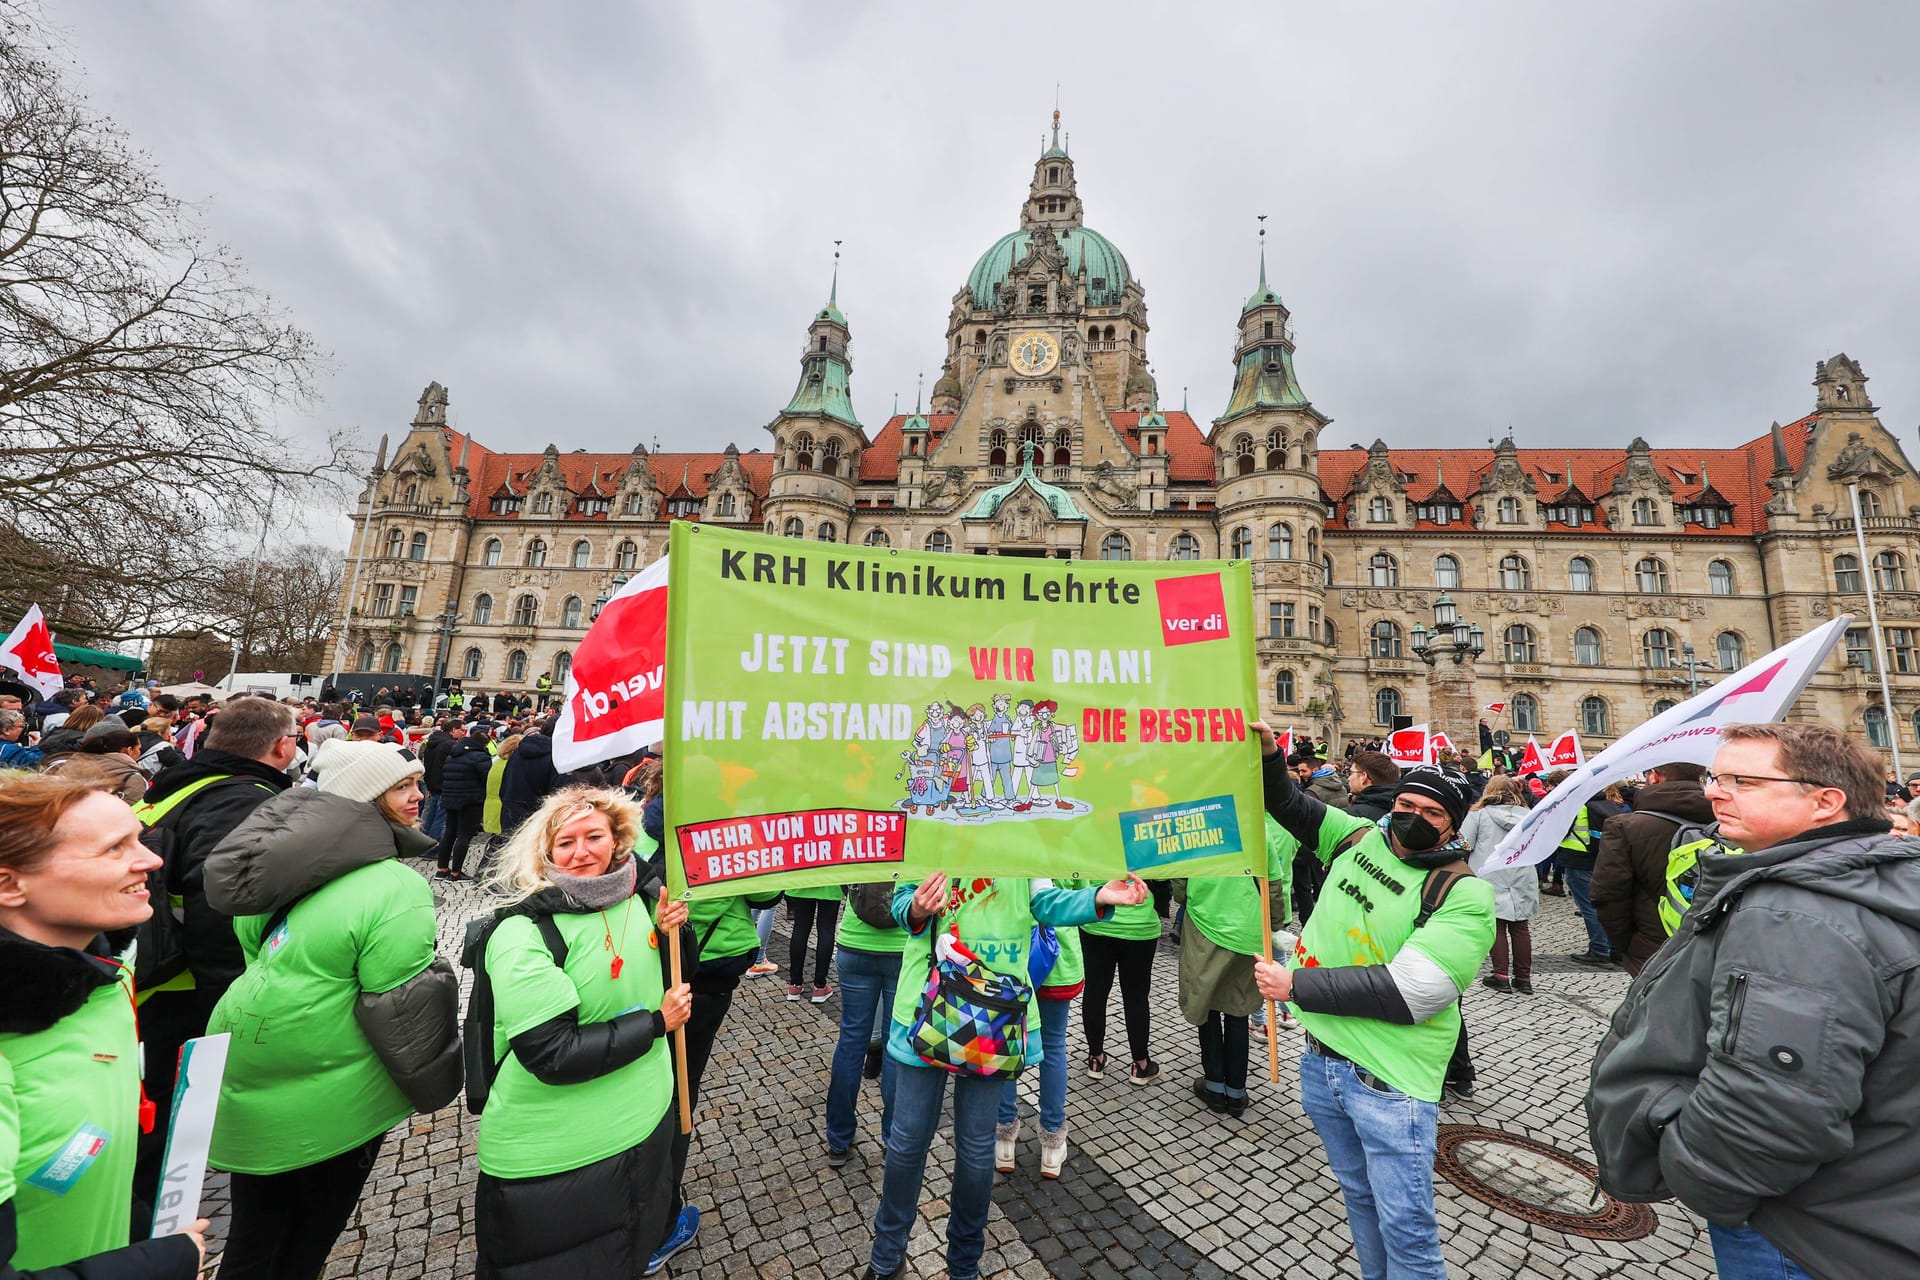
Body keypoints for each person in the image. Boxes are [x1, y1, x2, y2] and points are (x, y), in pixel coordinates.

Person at [1588, 723, 1920, 1280]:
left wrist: (1695, 1171)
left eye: (1743, 780)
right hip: (1873, 1213)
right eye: (1717, 777)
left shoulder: (1795, 914)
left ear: (1825, 802)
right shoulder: (1880, 876)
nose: (1714, 792)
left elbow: (1772, 1110)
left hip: (1798, 1230)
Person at [201, 740, 460, 1280]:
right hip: (332, 1090)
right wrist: (438, 1081)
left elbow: (257, 950)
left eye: (416, 783)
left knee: (252, 1238)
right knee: (304, 1241)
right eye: (402, 786)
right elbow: (401, 1007)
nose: (419, 794)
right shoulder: (395, 884)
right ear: (366, 797)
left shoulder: (282, 867)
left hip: (250, 1062)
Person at [1252, 723, 1494, 1280]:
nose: (1412, 816)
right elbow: (1286, 803)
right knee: (1358, 1198)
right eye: (1407, 803)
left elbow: (1413, 991)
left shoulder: (1465, 894)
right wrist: (1270, 754)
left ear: (1453, 825)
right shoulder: (1360, 836)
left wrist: (1296, 987)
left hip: (1389, 1081)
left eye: (1431, 814)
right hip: (1322, 1059)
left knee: (1407, 1227)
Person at [864, 872, 1148, 1280]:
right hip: (924, 1005)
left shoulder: (1024, 825)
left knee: (977, 1148)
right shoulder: (926, 814)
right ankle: (886, 1258)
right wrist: (916, 907)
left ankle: (964, 1265)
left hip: (995, 1013)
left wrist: (1098, 896)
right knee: (907, 1142)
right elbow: (903, 897)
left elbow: (1045, 900)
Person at [472, 788, 692, 1278]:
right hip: (558, 1156)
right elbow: (553, 1053)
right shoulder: (522, 933)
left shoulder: (639, 897)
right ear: (546, 853)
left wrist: (677, 932)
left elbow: (675, 977)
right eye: (566, 842)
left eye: (594, 836)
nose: (582, 851)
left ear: (617, 841)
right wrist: (657, 1023)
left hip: (643, 1127)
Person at [0, 775, 208, 1279]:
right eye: (115, 848)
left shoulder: (100, 978)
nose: (152, 861)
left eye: (138, 838)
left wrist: (137, 1233)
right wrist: (162, 1263)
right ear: (10, 884)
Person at [127, 696, 296, 1216]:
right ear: (283, 746)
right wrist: (227, 1006)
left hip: (148, 970)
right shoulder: (239, 798)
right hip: (181, 985)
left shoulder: (183, 782)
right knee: (167, 1115)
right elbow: (220, 901)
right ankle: (148, 1229)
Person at [1179, 817, 1297, 1118]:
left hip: (1205, 923)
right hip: (1248, 928)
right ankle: (1236, 1091)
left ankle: (1215, 1085)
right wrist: (1273, 923)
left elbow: (1179, 882)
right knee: (1237, 1008)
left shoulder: (1198, 823)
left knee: (1206, 1004)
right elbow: (1274, 883)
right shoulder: (1258, 827)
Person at [995, 877, 1085, 1176]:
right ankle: (1051, 1141)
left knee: (1006, 1043)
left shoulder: (1015, 838)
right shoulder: (1070, 840)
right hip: (1058, 957)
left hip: (1015, 956)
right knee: (1055, 1046)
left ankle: (1004, 1136)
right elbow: (1079, 893)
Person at [1589, 762, 1714, 976]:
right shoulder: (1727, 820)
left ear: (1654, 777)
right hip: (1711, 940)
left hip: (1652, 944)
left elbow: (1608, 894)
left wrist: (1627, 944)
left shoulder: (1624, 826)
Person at [826, 884, 907, 1168]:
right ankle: (893, 1138)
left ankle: (838, 1139)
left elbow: (844, 885)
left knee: (850, 1042)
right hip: (902, 949)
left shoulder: (857, 838)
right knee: (896, 1046)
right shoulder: (914, 838)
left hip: (854, 943)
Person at [1078, 872, 1161, 1085]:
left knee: (1095, 991)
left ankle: (1095, 1058)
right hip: (1139, 924)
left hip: (1097, 920)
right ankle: (1140, 1065)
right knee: (1136, 996)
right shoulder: (1144, 838)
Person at [1462, 776, 1537, 993]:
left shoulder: (1479, 815)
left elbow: (1466, 843)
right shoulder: (1529, 816)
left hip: (1491, 872)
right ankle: (1523, 978)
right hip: (1521, 872)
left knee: (1497, 925)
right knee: (1520, 926)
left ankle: (1501, 975)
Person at [435, 725, 494, 881]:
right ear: (483, 744)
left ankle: (442, 869)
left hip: (450, 798)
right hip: (470, 800)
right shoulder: (480, 757)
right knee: (464, 836)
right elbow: (487, 779)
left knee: (449, 833)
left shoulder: (453, 755)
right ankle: (456, 872)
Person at [46, 729, 148, 805]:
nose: (140, 753)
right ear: (129, 750)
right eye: (139, 749)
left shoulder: (68, 764)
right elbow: (133, 813)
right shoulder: (132, 777)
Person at [783, 883, 840, 1003]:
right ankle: (820, 986)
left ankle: (795, 985)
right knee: (826, 930)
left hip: (804, 879)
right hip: (831, 882)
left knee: (800, 929)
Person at [1344, 750, 1401, 822]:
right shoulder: (1402, 814)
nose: (1349, 778)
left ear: (1363, 777)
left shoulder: (1350, 817)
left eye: (1351, 773)